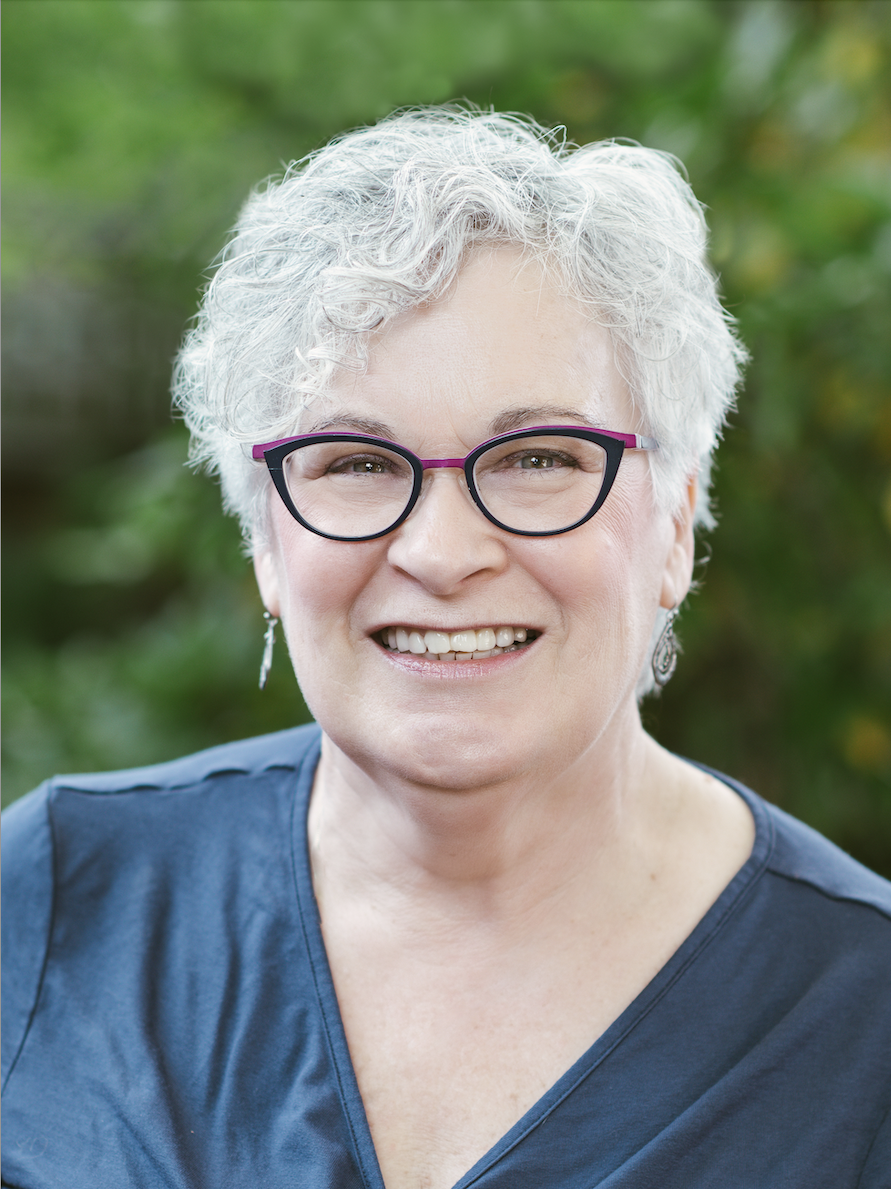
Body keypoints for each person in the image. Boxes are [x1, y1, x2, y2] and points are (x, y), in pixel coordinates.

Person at [2, 108, 889, 1189]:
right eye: (354, 463)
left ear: (673, 522)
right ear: (267, 544)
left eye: (538, 457)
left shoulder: (864, 1020)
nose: (441, 550)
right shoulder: (51, 909)